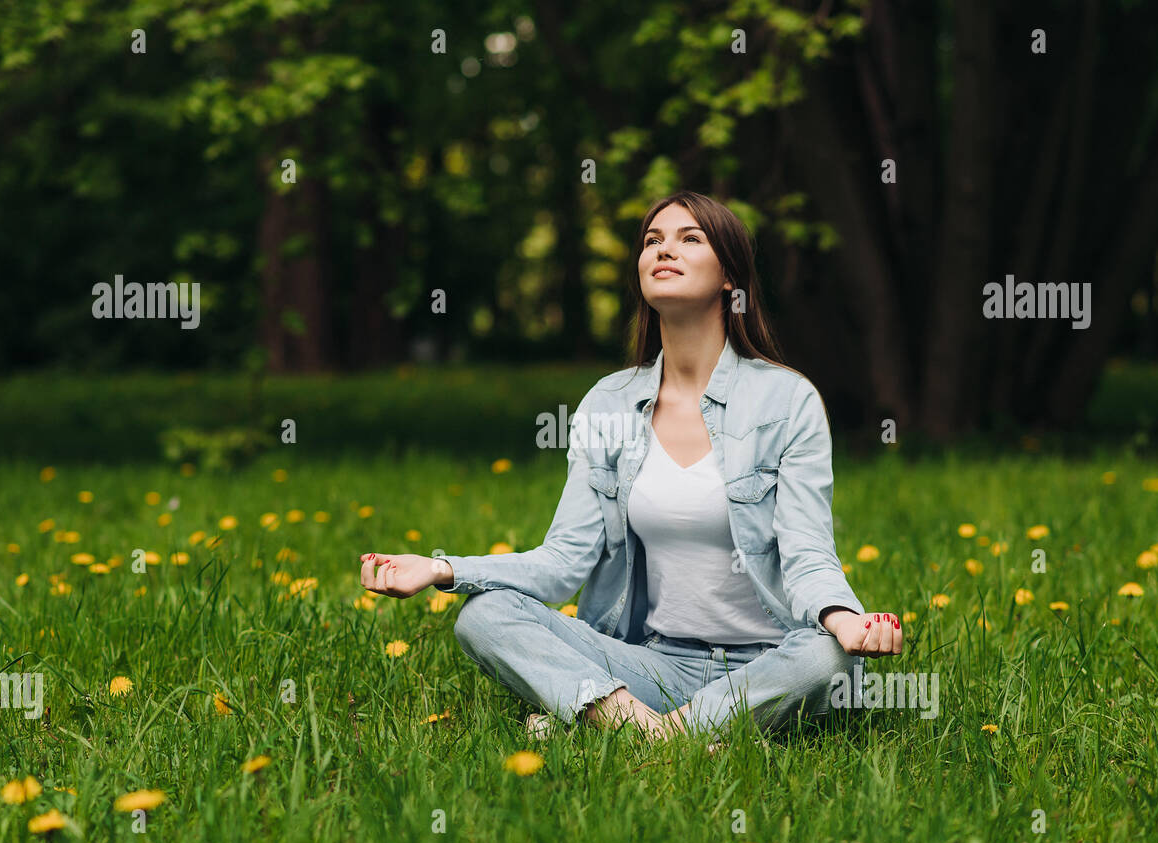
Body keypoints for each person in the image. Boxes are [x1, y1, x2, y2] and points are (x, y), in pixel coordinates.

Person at [360, 190, 903, 743]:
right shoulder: (608, 403)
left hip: (767, 664)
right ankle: (665, 733)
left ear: (728, 278)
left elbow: (808, 553)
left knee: (829, 660)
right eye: (652, 240)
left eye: (691, 238)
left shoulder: (786, 401)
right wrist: (442, 570)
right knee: (484, 615)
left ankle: (623, 727)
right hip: (654, 665)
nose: (664, 249)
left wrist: (844, 622)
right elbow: (563, 561)